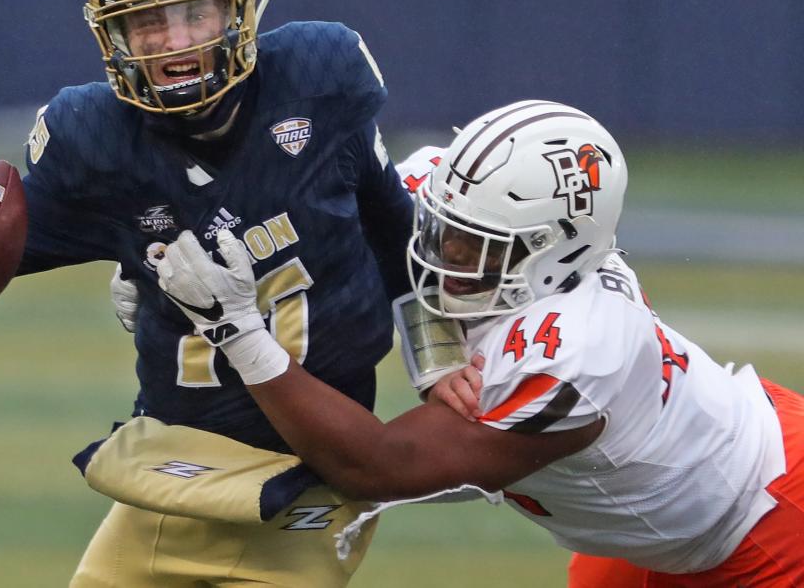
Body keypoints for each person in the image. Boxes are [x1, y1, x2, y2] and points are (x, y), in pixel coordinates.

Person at [0, 0, 414, 587]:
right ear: (112, 37)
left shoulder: (320, 78)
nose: (172, 41)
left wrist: (441, 372)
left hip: (313, 475)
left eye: (195, 13)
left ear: (239, 10)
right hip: (170, 473)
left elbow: (401, 236)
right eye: (146, 22)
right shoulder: (92, 137)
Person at [155, 99, 804, 586]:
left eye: (472, 246)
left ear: (555, 253)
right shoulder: (473, 211)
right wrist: (166, 264)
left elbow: (378, 466)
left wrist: (236, 327)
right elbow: (324, 212)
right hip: (662, 526)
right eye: (444, 228)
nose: (442, 253)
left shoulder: (574, 354)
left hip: (770, 520)